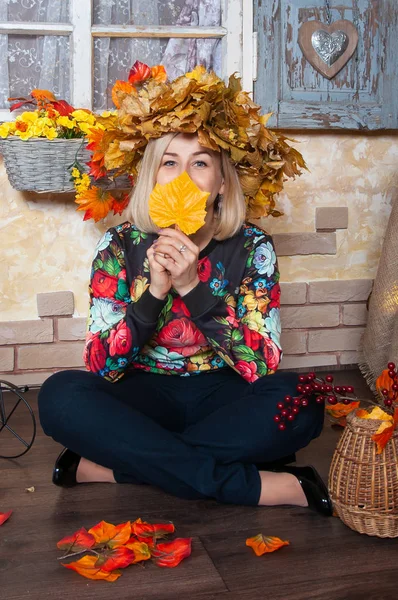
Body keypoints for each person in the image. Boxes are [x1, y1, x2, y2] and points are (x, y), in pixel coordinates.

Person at [38, 64, 332, 516]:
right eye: (170, 162)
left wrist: (193, 287)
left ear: (220, 182)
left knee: (302, 401)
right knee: (60, 396)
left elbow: (262, 366)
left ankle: (113, 467)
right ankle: (252, 484)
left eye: (200, 163)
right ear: (153, 176)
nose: (183, 175)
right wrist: (154, 293)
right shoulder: (120, 245)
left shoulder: (252, 246)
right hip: (144, 394)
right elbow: (102, 364)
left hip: (225, 394)